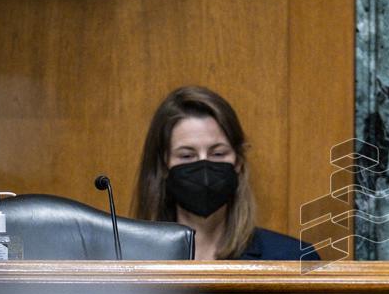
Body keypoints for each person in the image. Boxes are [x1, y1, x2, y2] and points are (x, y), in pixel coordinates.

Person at [134, 85, 319, 261]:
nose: (203, 166)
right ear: (163, 165)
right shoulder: (128, 258)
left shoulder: (293, 258)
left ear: (238, 161)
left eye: (218, 153)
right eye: (187, 155)